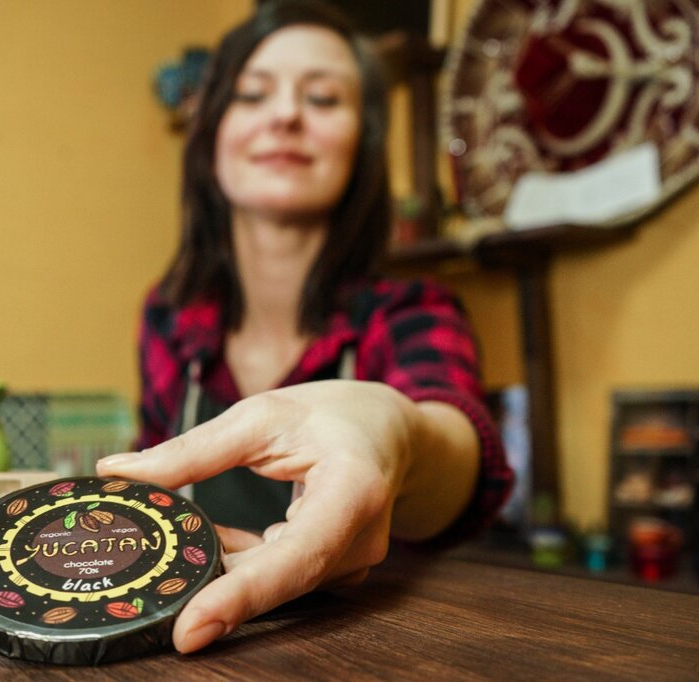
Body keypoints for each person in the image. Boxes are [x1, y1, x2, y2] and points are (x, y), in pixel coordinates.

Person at [97, 0, 513, 655]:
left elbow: (459, 457)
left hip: (371, 651)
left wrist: (395, 431)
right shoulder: (170, 318)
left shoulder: (412, 311)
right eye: (253, 94)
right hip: (194, 649)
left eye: (322, 98)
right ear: (210, 139)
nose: (286, 114)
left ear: (363, 146)